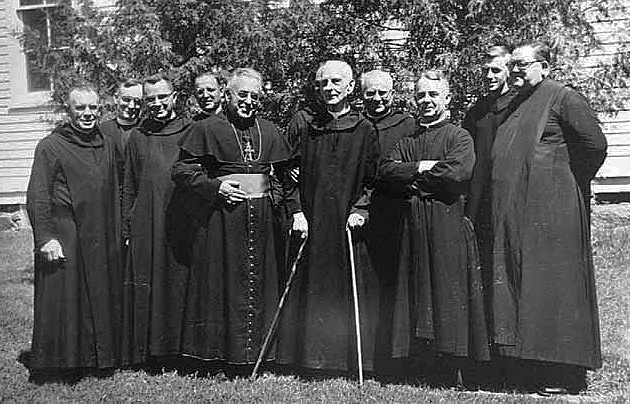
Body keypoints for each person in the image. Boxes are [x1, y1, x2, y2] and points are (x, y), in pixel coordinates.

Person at [490, 41, 606, 394]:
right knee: (525, 285)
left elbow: (595, 145)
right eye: (514, 65)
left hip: (553, 210)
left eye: (523, 64)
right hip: (520, 211)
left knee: (555, 286)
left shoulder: (564, 97)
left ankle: (565, 373)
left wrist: (560, 178)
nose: (516, 71)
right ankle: (530, 366)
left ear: (545, 66)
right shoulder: (518, 103)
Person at [171, 68, 300, 374]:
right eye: (242, 94)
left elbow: (286, 174)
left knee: (261, 284)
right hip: (220, 220)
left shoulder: (268, 130)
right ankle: (219, 357)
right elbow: (182, 171)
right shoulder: (206, 128)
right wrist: (216, 187)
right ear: (227, 95)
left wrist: (283, 202)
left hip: (263, 221)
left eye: (255, 96)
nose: (248, 101)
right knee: (222, 285)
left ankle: (260, 356)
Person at [378, 70, 489, 387]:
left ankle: (450, 366)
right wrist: (421, 167)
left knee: (446, 292)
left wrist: (413, 177)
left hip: (446, 221)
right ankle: (420, 366)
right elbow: (386, 171)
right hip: (413, 223)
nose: (426, 101)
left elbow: (456, 173)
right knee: (415, 290)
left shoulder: (459, 137)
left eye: (433, 95)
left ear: (447, 99)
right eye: (421, 95)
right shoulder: (409, 139)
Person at [276, 60, 379, 376]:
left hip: (347, 221)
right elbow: (286, 172)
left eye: (336, 82)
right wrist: (296, 211)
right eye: (322, 83)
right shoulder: (304, 125)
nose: (329, 89)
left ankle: (345, 362)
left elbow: (372, 178)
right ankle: (309, 360)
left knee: (345, 287)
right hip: (311, 220)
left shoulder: (364, 129)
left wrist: (361, 208)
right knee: (310, 286)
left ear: (350, 88)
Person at [26, 84, 122, 379]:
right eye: (80, 107)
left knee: (96, 297)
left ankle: (96, 359)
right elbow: (38, 195)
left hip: (100, 231)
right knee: (67, 300)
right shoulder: (50, 145)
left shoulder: (105, 143)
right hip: (64, 232)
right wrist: (45, 237)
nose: (88, 113)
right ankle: (61, 364)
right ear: (67, 110)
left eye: (93, 107)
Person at [120, 73, 194, 366]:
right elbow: (129, 185)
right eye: (150, 99)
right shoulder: (139, 135)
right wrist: (128, 225)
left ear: (174, 97)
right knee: (150, 284)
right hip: (147, 222)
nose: (157, 104)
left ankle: (180, 352)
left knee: (178, 284)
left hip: (182, 220)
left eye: (163, 97)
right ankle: (150, 353)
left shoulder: (191, 130)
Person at [461, 46, 516, 387]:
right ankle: (486, 358)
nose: (490, 76)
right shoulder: (476, 111)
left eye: (496, 70)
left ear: (509, 70)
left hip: (509, 202)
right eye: (486, 71)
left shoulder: (519, 107)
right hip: (479, 205)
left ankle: (513, 358)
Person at [359, 70, 415, 377]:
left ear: (393, 94)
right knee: (370, 286)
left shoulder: (407, 124)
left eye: (383, 93)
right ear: (362, 94)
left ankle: (397, 359)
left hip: (397, 212)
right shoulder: (358, 125)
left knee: (397, 284)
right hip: (367, 214)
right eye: (370, 93)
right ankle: (369, 355)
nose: (377, 99)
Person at [99, 78, 143, 187]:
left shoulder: (148, 129)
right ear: (116, 98)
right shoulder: (102, 131)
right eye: (126, 99)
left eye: (137, 101)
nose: (132, 106)